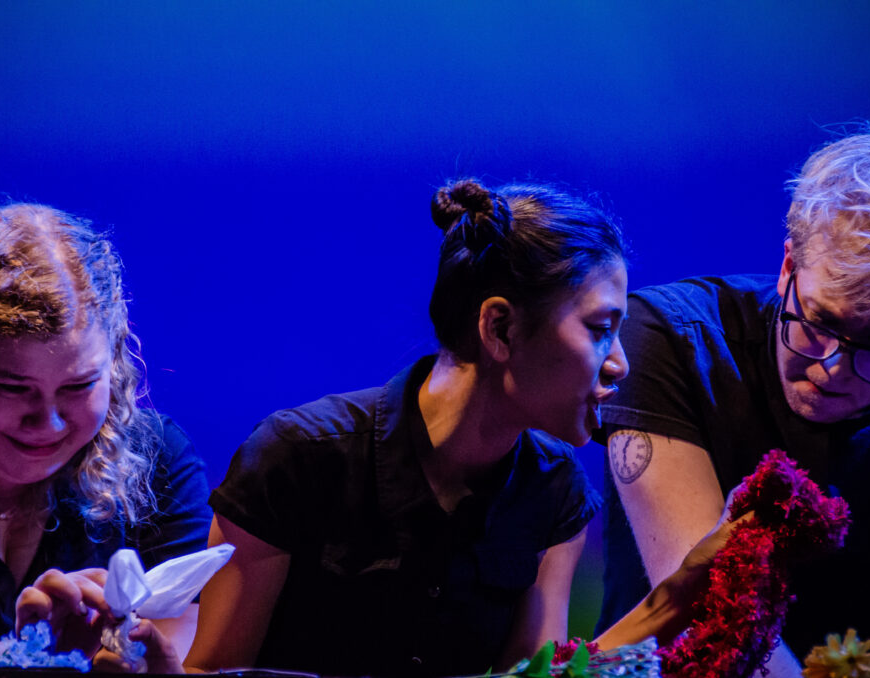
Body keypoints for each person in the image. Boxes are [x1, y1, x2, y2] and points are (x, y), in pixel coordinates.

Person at [185, 179, 742, 677]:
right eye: (600, 329)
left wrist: (684, 590)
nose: (620, 363)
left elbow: (533, 677)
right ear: (499, 326)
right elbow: (211, 671)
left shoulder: (554, 492)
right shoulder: (295, 458)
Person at [598, 126, 870, 675]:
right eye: (820, 322)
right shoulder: (666, 339)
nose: (832, 366)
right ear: (788, 265)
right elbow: (711, 618)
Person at [0, 204, 212, 670]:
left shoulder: (159, 460)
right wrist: (32, 660)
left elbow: (175, 649)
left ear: (113, 364)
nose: (49, 423)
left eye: (79, 386)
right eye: (12, 388)